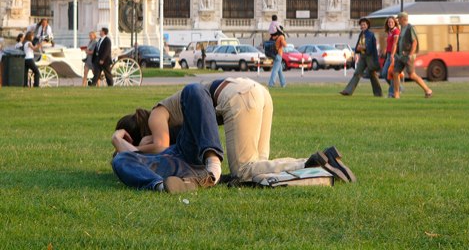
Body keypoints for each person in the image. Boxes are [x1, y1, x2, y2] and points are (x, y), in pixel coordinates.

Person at [113, 78, 355, 186]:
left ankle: (308, 163)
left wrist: (127, 144)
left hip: (237, 98)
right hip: (256, 91)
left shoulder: (157, 112)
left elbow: (161, 145)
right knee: (256, 170)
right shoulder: (177, 116)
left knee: (243, 169)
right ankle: (321, 169)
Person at [111, 83, 224, 193]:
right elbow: (128, 158)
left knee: (193, 89)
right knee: (119, 159)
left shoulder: (155, 117)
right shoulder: (143, 157)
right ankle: (165, 185)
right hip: (174, 166)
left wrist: (121, 141)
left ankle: (213, 170)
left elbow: (161, 146)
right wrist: (123, 144)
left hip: (186, 152)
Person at [393, 12, 433, 99]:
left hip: (408, 56)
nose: (398, 21)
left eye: (399, 19)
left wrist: (410, 54)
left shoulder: (410, 28)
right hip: (400, 56)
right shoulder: (401, 28)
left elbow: (414, 42)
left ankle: (427, 90)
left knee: (411, 75)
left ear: (403, 19)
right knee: (395, 73)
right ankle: (396, 94)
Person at [340, 18, 382, 97]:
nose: (362, 26)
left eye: (364, 25)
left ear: (367, 25)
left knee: (372, 75)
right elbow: (357, 46)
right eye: (361, 25)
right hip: (363, 57)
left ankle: (378, 94)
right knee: (357, 73)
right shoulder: (361, 34)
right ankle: (348, 91)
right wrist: (357, 51)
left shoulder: (370, 34)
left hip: (369, 57)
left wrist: (362, 48)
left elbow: (369, 48)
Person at [380, 16, 400, 98]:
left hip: (393, 55)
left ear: (395, 22)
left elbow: (395, 44)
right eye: (389, 22)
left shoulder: (396, 31)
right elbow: (389, 44)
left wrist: (392, 55)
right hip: (388, 55)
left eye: (392, 22)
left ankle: (391, 93)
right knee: (384, 73)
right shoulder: (389, 32)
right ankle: (397, 87)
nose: (390, 23)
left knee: (392, 74)